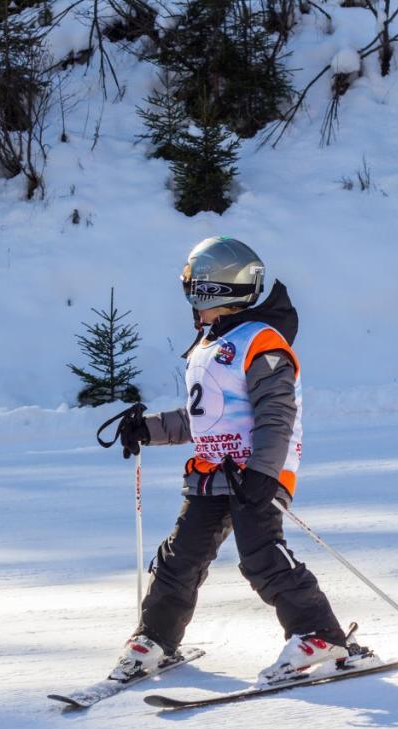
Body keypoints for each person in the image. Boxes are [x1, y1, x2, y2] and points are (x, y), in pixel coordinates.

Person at [110, 236, 365, 684]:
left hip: (256, 474)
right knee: (179, 557)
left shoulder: (261, 344)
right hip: (211, 473)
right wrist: (146, 429)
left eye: (195, 294)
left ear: (215, 292)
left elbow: (276, 414)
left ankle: (320, 635)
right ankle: (155, 637)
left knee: (261, 556)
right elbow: (203, 418)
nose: (192, 306)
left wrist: (264, 472)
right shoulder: (210, 344)